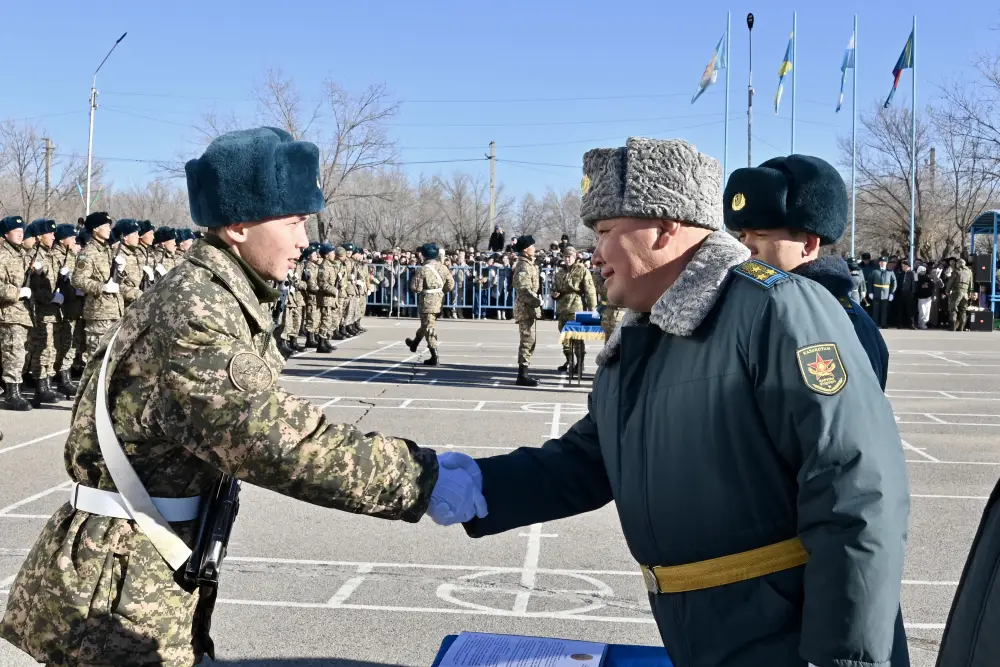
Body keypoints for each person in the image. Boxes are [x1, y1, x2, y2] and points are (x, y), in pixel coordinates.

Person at [0, 127, 486, 667]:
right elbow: (277, 441)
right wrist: (420, 478)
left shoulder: (219, 295)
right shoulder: (196, 313)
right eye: (294, 222)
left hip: (137, 564)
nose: (304, 240)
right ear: (237, 226)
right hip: (117, 586)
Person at [436, 137, 909, 667]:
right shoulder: (643, 335)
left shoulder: (774, 308)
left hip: (788, 639)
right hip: (702, 632)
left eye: (608, 231)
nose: (595, 253)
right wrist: (479, 486)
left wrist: (844, 658)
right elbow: (588, 461)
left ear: (664, 227)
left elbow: (856, 489)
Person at [726, 154, 891, 392]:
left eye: (760, 235)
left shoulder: (837, 320)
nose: (746, 247)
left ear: (808, 245)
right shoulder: (754, 305)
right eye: (742, 236)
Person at [0, 215, 33, 411]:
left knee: (18, 353)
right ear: (6, 233)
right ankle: (12, 395)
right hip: (8, 312)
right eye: (16, 231)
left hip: (22, 312)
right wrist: (17, 292)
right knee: (13, 354)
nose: (21, 234)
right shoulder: (2, 256)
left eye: (22, 231)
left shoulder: (22, 255)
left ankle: (13, 390)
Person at [406, 242, 455, 366]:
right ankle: (414, 343)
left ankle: (434, 356)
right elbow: (451, 284)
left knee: (429, 329)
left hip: (427, 302)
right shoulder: (443, 267)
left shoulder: (422, 270)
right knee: (427, 324)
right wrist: (440, 291)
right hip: (439, 301)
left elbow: (416, 288)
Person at [551, 246, 596, 374]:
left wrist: (592, 308)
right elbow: (554, 287)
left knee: (577, 337)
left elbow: (590, 290)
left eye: (569, 256)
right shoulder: (560, 272)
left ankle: (580, 363)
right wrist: (554, 293)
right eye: (565, 256)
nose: (567, 259)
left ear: (575, 257)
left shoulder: (582, 270)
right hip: (562, 307)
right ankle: (570, 361)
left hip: (576, 306)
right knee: (565, 337)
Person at [511, 235, 541, 387]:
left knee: (530, 341)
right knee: (527, 341)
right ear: (525, 249)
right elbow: (523, 290)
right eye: (532, 246)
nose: (534, 248)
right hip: (525, 308)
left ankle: (525, 372)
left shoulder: (529, 264)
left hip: (530, 308)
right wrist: (537, 301)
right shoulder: (523, 266)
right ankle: (522, 375)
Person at [867, 256, 896, 328]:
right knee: (875, 310)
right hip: (876, 292)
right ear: (879, 263)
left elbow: (894, 283)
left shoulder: (890, 272)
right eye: (881, 262)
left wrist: (892, 293)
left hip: (886, 294)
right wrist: (870, 292)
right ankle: (875, 323)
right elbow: (870, 282)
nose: (883, 263)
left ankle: (883, 324)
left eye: (884, 262)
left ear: (886, 263)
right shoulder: (874, 272)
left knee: (884, 310)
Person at [946, 258, 974, 331]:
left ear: (958, 264)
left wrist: (947, 290)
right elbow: (971, 283)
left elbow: (950, 282)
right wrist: (970, 292)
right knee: (963, 310)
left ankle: (952, 328)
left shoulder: (956, 271)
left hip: (957, 292)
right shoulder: (969, 272)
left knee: (953, 309)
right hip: (965, 293)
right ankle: (961, 328)